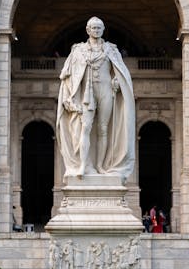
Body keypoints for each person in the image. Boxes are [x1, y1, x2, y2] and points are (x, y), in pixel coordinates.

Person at [56, 16, 135, 181]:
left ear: (103, 30)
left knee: (103, 129)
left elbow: (121, 72)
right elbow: (67, 74)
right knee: (85, 127)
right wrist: (69, 96)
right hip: (87, 94)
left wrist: (117, 80)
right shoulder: (78, 50)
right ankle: (83, 165)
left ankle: (100, 166)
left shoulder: (111, 49)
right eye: (93, 28)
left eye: (99, 28)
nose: (96, 30)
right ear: (87, 30)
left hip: (106, 91)